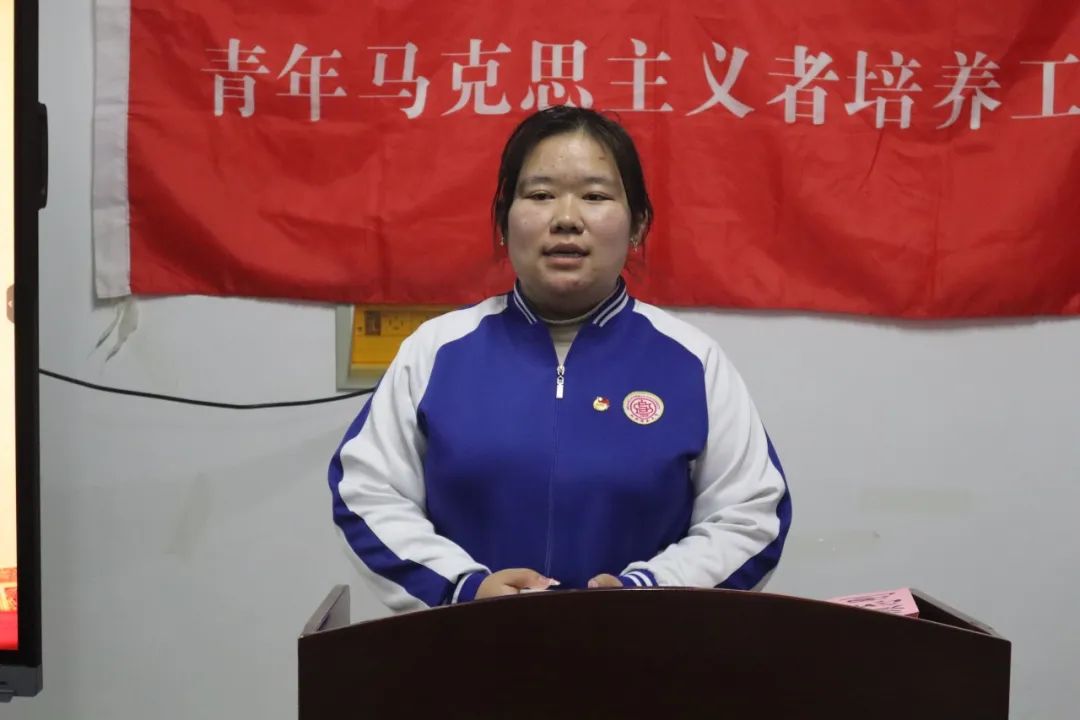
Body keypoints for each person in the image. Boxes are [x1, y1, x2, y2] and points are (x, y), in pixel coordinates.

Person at [329, 106, 791, 612]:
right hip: (464, 648)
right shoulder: (436, 350)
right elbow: (368, 492)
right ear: (504, 221)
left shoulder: (691, 360)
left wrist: (648, 592)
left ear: (637, 225)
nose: (566, 219)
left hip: (646, 652)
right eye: (540, 195)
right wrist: (462, 588)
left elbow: (750, 515)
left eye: (595, 196)